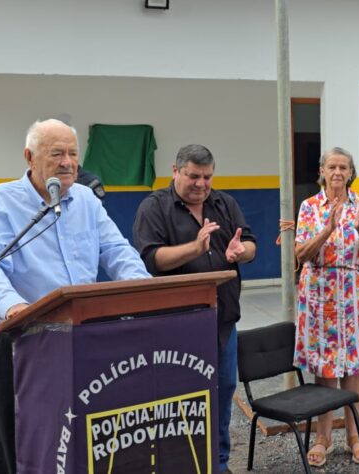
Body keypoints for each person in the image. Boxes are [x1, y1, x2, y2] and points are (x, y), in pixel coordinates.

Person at [0, 119, 150, 472]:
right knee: (25, 441)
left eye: (72, 154)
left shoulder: (86, 200)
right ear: (30, 157)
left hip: (83, 337)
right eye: (56, 154)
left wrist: (140, 291)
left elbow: (117, 251)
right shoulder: (0, 202)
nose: (68, 163)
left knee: (81, 432)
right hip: (21, 338)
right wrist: (16, 307)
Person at [133, 144, 256, 474]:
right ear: (175, 171)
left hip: (222, 320)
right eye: (193, 176)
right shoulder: (154, 208)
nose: (201, 184)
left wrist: (240, 251)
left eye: (207, 177)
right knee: (181, 395)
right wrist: (195, 248)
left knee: (223, 391)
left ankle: (218, 463)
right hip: (177, 324)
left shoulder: (224, 203)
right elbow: (151, 259)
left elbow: (252, 245)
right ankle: (180, 463)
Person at [294, 147, 359, 466]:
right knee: (324, 366)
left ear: (351, 173)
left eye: (343, 167)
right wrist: (327, 230)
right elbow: (301, 253)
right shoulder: (309, 207)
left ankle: (355, 436)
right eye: (332, 166)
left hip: (354, 292)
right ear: (322, 170)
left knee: (353, 365)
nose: (337, 172)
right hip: (320, 292)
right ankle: (323, 437)